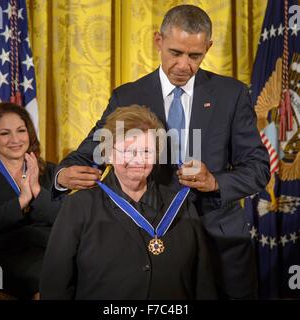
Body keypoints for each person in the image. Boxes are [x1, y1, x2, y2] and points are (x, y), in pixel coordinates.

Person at [53, 5, 270, 299]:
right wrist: (63, 175)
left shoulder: (231, 94)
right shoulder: (128, 95)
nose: (183, 65)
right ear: (158, 41)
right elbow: (89, 154)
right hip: (151, 238)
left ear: (208, 47)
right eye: (175, 52)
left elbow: (258, 169)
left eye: (195, 56)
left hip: (219, 238)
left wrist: (215, 182)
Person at [41, 106, 216, 299]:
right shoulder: (79, 206)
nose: (138, 159)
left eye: (146, 151)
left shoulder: (181, 206)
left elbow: (203, 284)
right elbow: (54, 286)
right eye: (127, 150)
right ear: (107, 155)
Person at [0, 102, 61, 299]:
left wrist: (37, 191)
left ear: (29, 134)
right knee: (49, 278)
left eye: (21, 131)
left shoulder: (51, 171)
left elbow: (64, 218)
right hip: (7, 252)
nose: (15, 139)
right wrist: (22, 200)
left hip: (52, 248)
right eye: (5, 133)